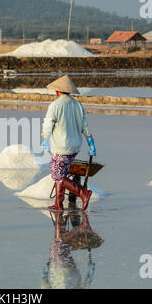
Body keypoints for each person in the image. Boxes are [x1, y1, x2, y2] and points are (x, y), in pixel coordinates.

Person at [41, 75, 96, 211]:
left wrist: (44, 139)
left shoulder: (55, 105)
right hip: (75, 146)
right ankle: (58, 204)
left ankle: (82, 193)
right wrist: (91, 143)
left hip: (61, 147)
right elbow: (85, 127)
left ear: (57, 91)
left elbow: (48, 125)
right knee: (62, 173)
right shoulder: (78, 105)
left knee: (57, 175)